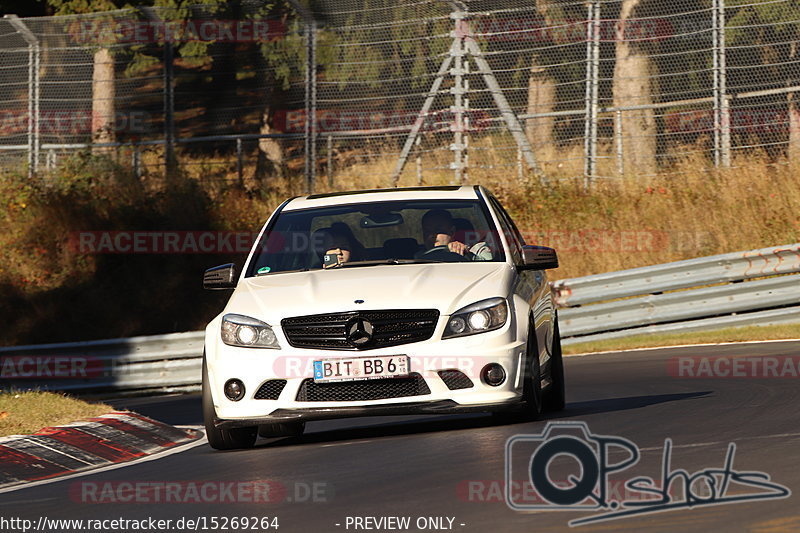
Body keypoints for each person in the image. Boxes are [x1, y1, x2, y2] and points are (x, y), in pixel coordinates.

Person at [416, 209, 492, 261]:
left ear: (452, 232)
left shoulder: (477, 250)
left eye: (438, 230)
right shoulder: (416, 257)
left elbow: (491, 268)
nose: (431, 235)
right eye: (427, 231)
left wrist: (467, 254)